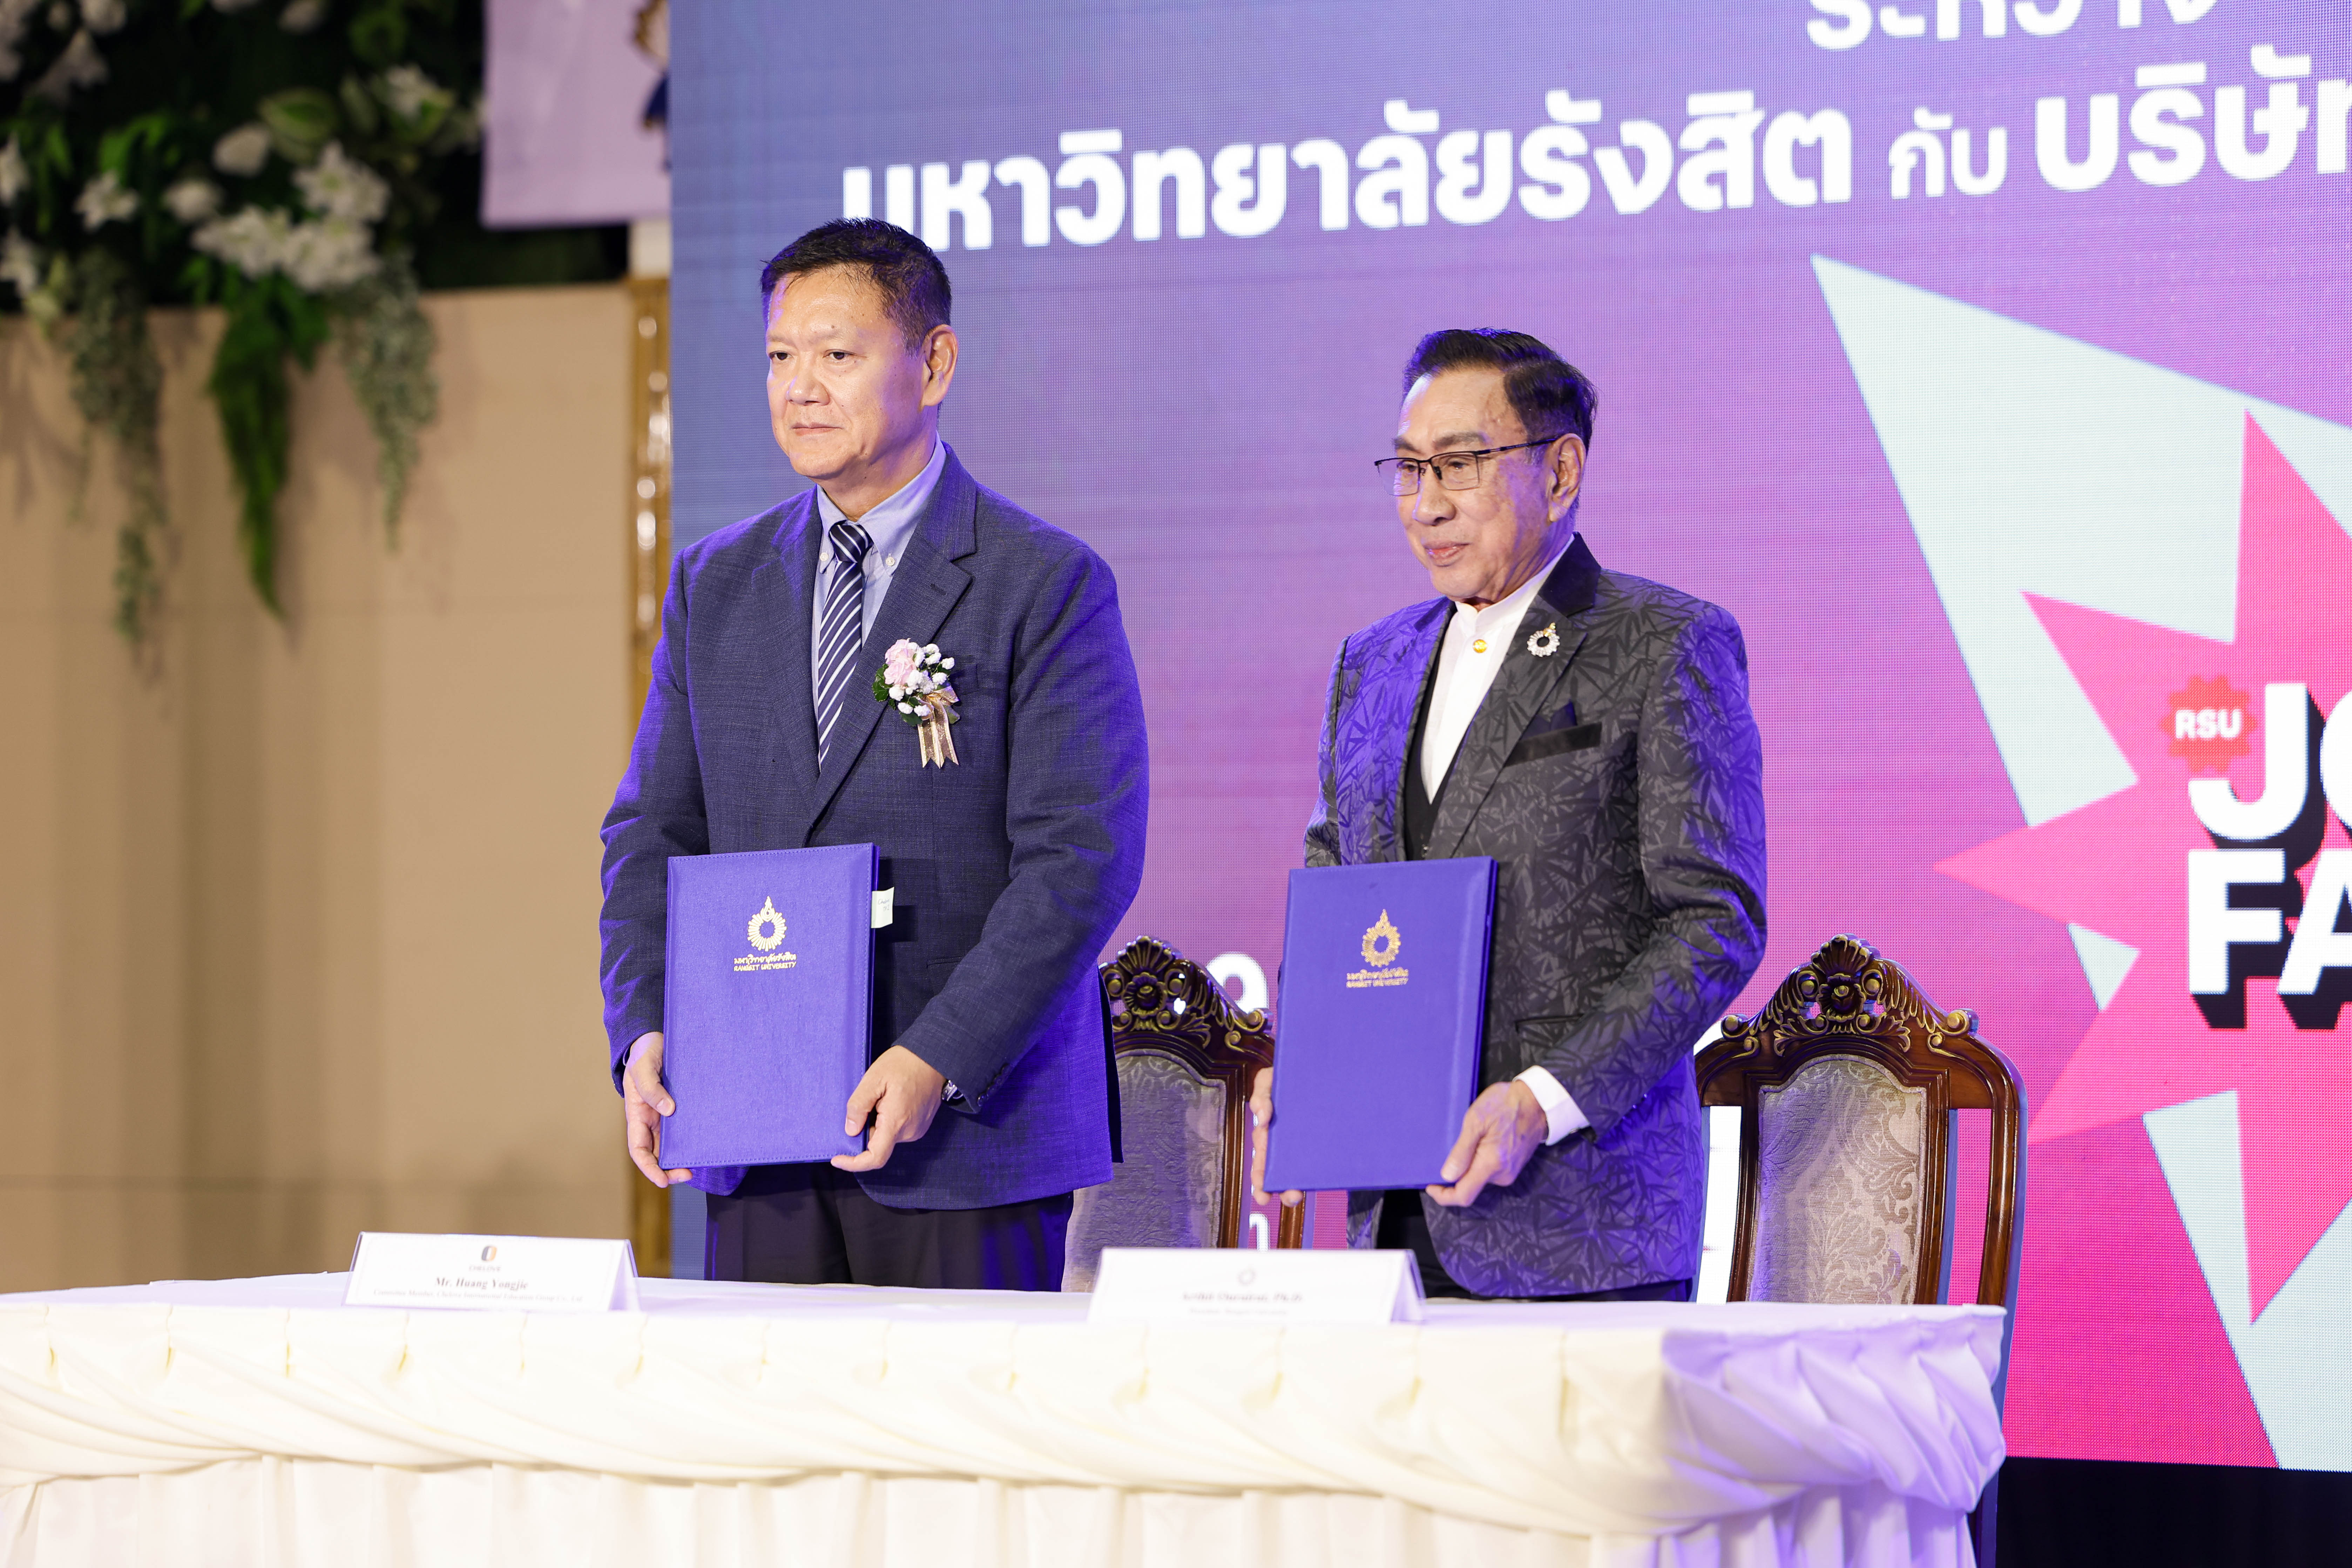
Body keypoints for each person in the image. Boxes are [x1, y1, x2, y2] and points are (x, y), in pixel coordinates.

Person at [600, 219, 1148, 1290]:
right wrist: (648, 1026)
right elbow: (650, 833)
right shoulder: (716, 582)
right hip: (756, 1119)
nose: (800, 387)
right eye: (780, 356)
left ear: (933, 364)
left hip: (966, 1143)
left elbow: (1079, 860)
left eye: (837, 354)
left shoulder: (1043, 581)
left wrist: (939, 1055)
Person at [1252, 329, 1766, 1301]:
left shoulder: (1662, 643)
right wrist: (1313, 1053)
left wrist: (1542, 1101)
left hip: (1579, 1224)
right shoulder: (1371, 661)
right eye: (1409, 470)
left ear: (1560, 471)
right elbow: (1336, 888)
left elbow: (1714, 921)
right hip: (1390, 1217)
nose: (1427, 504)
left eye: (1460, 465)